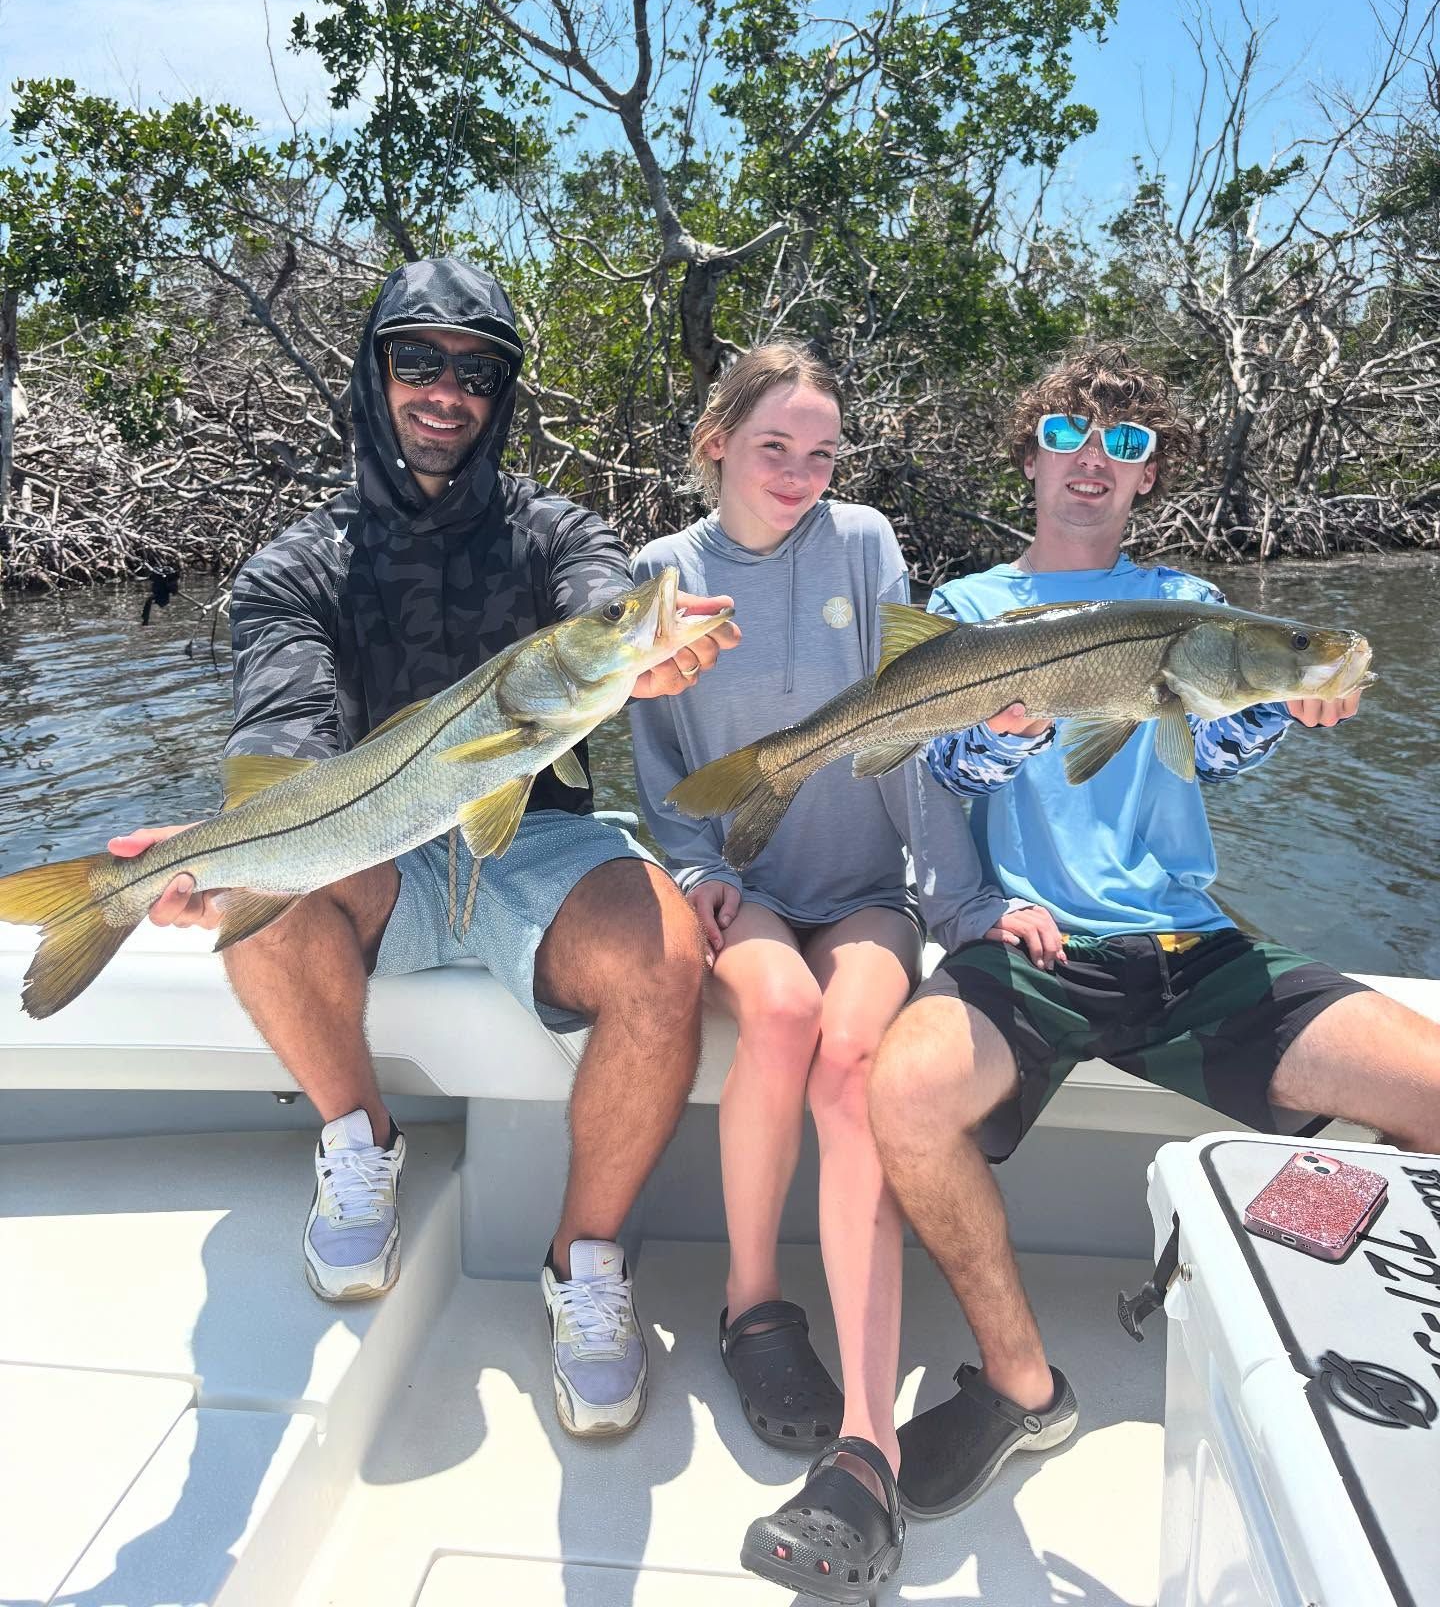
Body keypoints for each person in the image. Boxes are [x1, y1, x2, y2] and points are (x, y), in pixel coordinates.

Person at [109, 256, 738, 1442]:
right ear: (376, 371)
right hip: (370, 845)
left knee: (664, 959)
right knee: (264, 891)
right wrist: (225, 849)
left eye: (477, 373)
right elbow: (286, 739)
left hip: (534, 836)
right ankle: (359, 1138)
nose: (447, 392)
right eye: (419, 362)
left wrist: (638, 647)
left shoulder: (557, 531)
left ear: (502, 395)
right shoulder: (295, 566)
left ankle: (583, 1261)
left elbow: (605, 594)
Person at [868, 343, 1440, 1521]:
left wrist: (1286, 698)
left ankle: (1358, 1333)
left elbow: (1213, 752)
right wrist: (1009, 730)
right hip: (1029, 947)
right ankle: (1023, 1387)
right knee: (906, 1095)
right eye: (1069, 435)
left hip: (1191, 947)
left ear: (1147, 473)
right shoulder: (965, 611)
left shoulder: (1191, 606)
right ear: (1031, 456)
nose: (1093, 459)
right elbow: (947, 770)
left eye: (1124, 443)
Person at [630, 342, 1003, 1598]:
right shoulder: (661, 574)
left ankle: (867, 1434)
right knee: (780, 1014)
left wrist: (959, 901)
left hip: (863, 891)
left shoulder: (865, 545)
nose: (799, 473)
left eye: (822, 453)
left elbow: (911, 727)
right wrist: (693, 868)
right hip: (739, 881)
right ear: (716, 444)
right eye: (774, 447)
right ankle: (754, 1308)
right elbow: (656, 762)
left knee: (852, 1063)